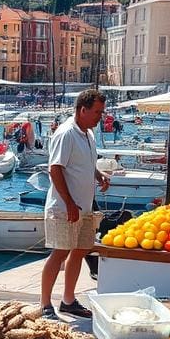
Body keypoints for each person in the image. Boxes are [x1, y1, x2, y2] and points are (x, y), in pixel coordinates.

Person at [40, 89, 110, 320]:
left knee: (79, 251)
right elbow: (55, 168)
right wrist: (69, 203)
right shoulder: (66, 133)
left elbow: (81, 164)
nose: (101, 116)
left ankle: (68, 300)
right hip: (64, 208)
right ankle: (45, 304)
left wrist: (97, 174)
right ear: (83, 109)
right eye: (97, 112)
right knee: (60, 252)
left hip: (85, 208)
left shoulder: (87, 134)